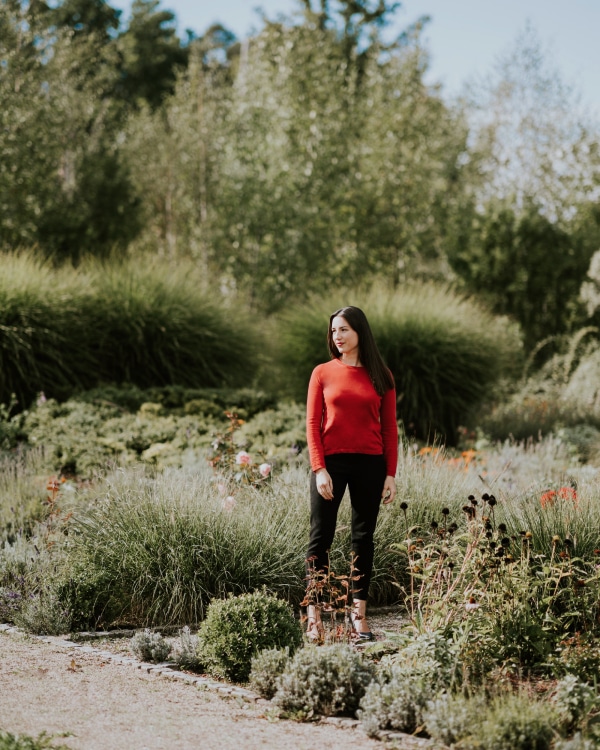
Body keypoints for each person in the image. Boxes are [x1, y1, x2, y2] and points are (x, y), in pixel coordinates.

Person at [305, 305, 398, 641]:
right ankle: (314, 618)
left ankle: (358, 616)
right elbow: (313, 424)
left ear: (360, 332)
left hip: (371, 464)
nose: (337, 337)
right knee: (321, 538)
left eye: (343, 330)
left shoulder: (382, 376)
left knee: (363, 540)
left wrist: (390, 473)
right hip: (331, 463)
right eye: (333, 331)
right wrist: (319, 469)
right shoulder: (322, 372)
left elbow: (389, 429)